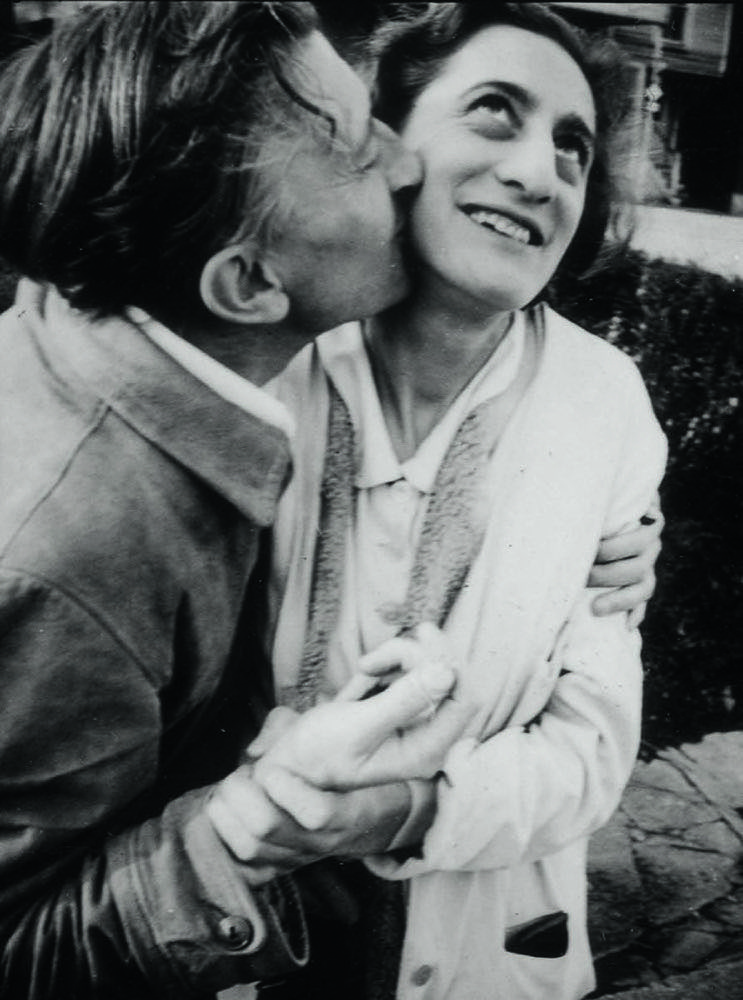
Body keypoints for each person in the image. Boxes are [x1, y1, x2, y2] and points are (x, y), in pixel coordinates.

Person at [0, 4, 475, 998]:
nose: (408, 163)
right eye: (354, 149)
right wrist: (249, 824)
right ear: (250, 283)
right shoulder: (69, 558)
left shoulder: (165, 343)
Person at [208, 4, 668, 999]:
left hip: (489, 949)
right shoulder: (265, 362)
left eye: (571, 149)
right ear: (388, 145)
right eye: (494, 114)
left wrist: (412, 809)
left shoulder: (602, 408)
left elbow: (590, 747)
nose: (538, 172)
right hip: (241, 931)